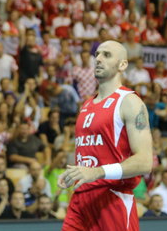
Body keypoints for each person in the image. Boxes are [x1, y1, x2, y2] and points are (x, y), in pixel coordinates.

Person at [59, 41, 153, 230]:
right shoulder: (87, 104)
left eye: (107, 55)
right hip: (80, 199)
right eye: (98, 55)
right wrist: (76, 173)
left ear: (123, 65)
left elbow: (145, 162)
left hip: (112, 198)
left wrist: (97, 172)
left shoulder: (130, 102)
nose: (99, 59)